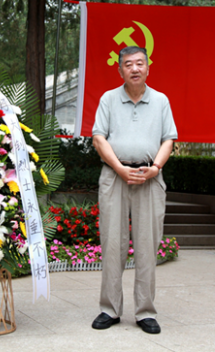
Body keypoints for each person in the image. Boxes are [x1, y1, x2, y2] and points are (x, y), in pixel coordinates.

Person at [91, 46, 177, 334]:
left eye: (140, 63)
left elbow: (169, 140)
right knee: (112, 243)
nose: (135, 68)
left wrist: (155, 167)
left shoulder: (161, 101)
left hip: (149, 177)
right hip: (115, 177)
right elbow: (99, 139)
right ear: (120, 70)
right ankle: (110, 309)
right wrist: (119, 168)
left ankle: (145, 312)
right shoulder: (108, 99)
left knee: (147, 245)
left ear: (148, 67)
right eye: (128, 64)